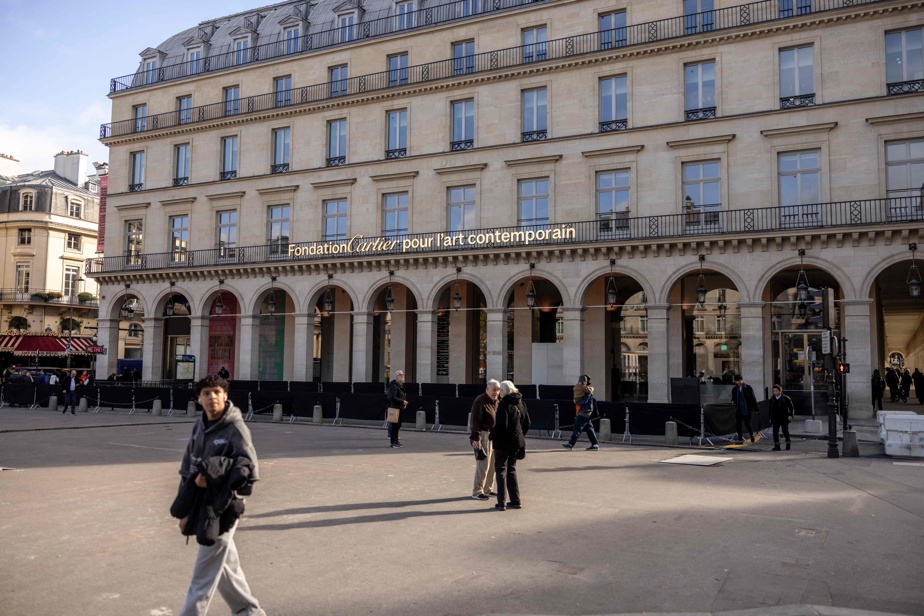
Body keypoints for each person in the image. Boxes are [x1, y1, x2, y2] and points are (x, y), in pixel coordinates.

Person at [172, 374, 264, 616]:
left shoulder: (236, 428)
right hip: (201, 502)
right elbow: (187, 469)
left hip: (224, 505)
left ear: (225, 395)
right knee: (225, 564)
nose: (211, 397)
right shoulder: (199, 426)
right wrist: (185, 512)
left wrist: (217, 475)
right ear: (199, 399)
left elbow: (250, 473)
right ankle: (249, 610)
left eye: (216, 392)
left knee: (204, 570)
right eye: (206, 393)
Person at [489, 380, 530, 511]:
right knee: (511, 470)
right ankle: (516, 500)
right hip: (516, 441)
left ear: (504, 391)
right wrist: (520, 434)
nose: (498, 392)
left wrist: (492, 435)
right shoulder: (521, 403)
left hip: (503, 442)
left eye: (500, 390)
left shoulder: (504, 403)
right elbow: (527, 422)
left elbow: (502, 425)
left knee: (501, 470)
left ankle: (501, 503)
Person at [470, 379, 501, 500]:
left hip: (493, 435)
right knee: (483, 463)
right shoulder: (480, 400)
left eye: (498, 390)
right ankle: (477, 491)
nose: (496, 392)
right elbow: (474, 421)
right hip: (483, 435)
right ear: (487, 389)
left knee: (493, 463)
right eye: (494, 390)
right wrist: (476, 438)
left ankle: (488, 488)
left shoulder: (496, 402)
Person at [562, 374, 599, 450]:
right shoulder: (584, 390)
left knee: (577, 428)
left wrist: (576, 401)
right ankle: (595, 444)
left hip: (584, 411)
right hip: (586, 411)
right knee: (589, 428)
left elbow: (583, 401)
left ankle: (571, 443)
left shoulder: (587, 392)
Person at [729, 374, 757, 444]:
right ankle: (740, 438)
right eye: (736, 381)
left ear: (742, 380)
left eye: (739, 381)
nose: (738, 382)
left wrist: (756, 408)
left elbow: (753, 398)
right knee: (738, 424)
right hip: (738, 408)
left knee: (747, 423)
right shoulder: (735, 389)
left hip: (747, 408)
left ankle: (751, 435)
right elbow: (733, 398)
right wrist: (733, 401)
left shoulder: (748, 387)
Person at [767, 384, 794, 451]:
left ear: (780, 391)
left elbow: (791, 407)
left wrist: (790, 415)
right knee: (775, 431)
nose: (775, 392)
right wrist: (769, 418)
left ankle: (788, 443)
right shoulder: (772, 399)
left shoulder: (785, 398)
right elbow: (770, 409)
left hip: (784, 417)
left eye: (776, 391)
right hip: (775, 418)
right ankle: (777, 445)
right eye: (774, 391)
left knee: (785, 431)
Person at [386, 370, 408, 448]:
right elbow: (392, 397)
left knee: (398, 426)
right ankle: (393, 442)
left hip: (400, 408)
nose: (402, 377)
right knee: (394, 426)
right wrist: (402, 401)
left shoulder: (400, 385)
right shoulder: (393, 386)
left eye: (403, 375)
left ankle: (396, 441)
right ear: (396, 376)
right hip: (395, 408)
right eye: (400, 375)